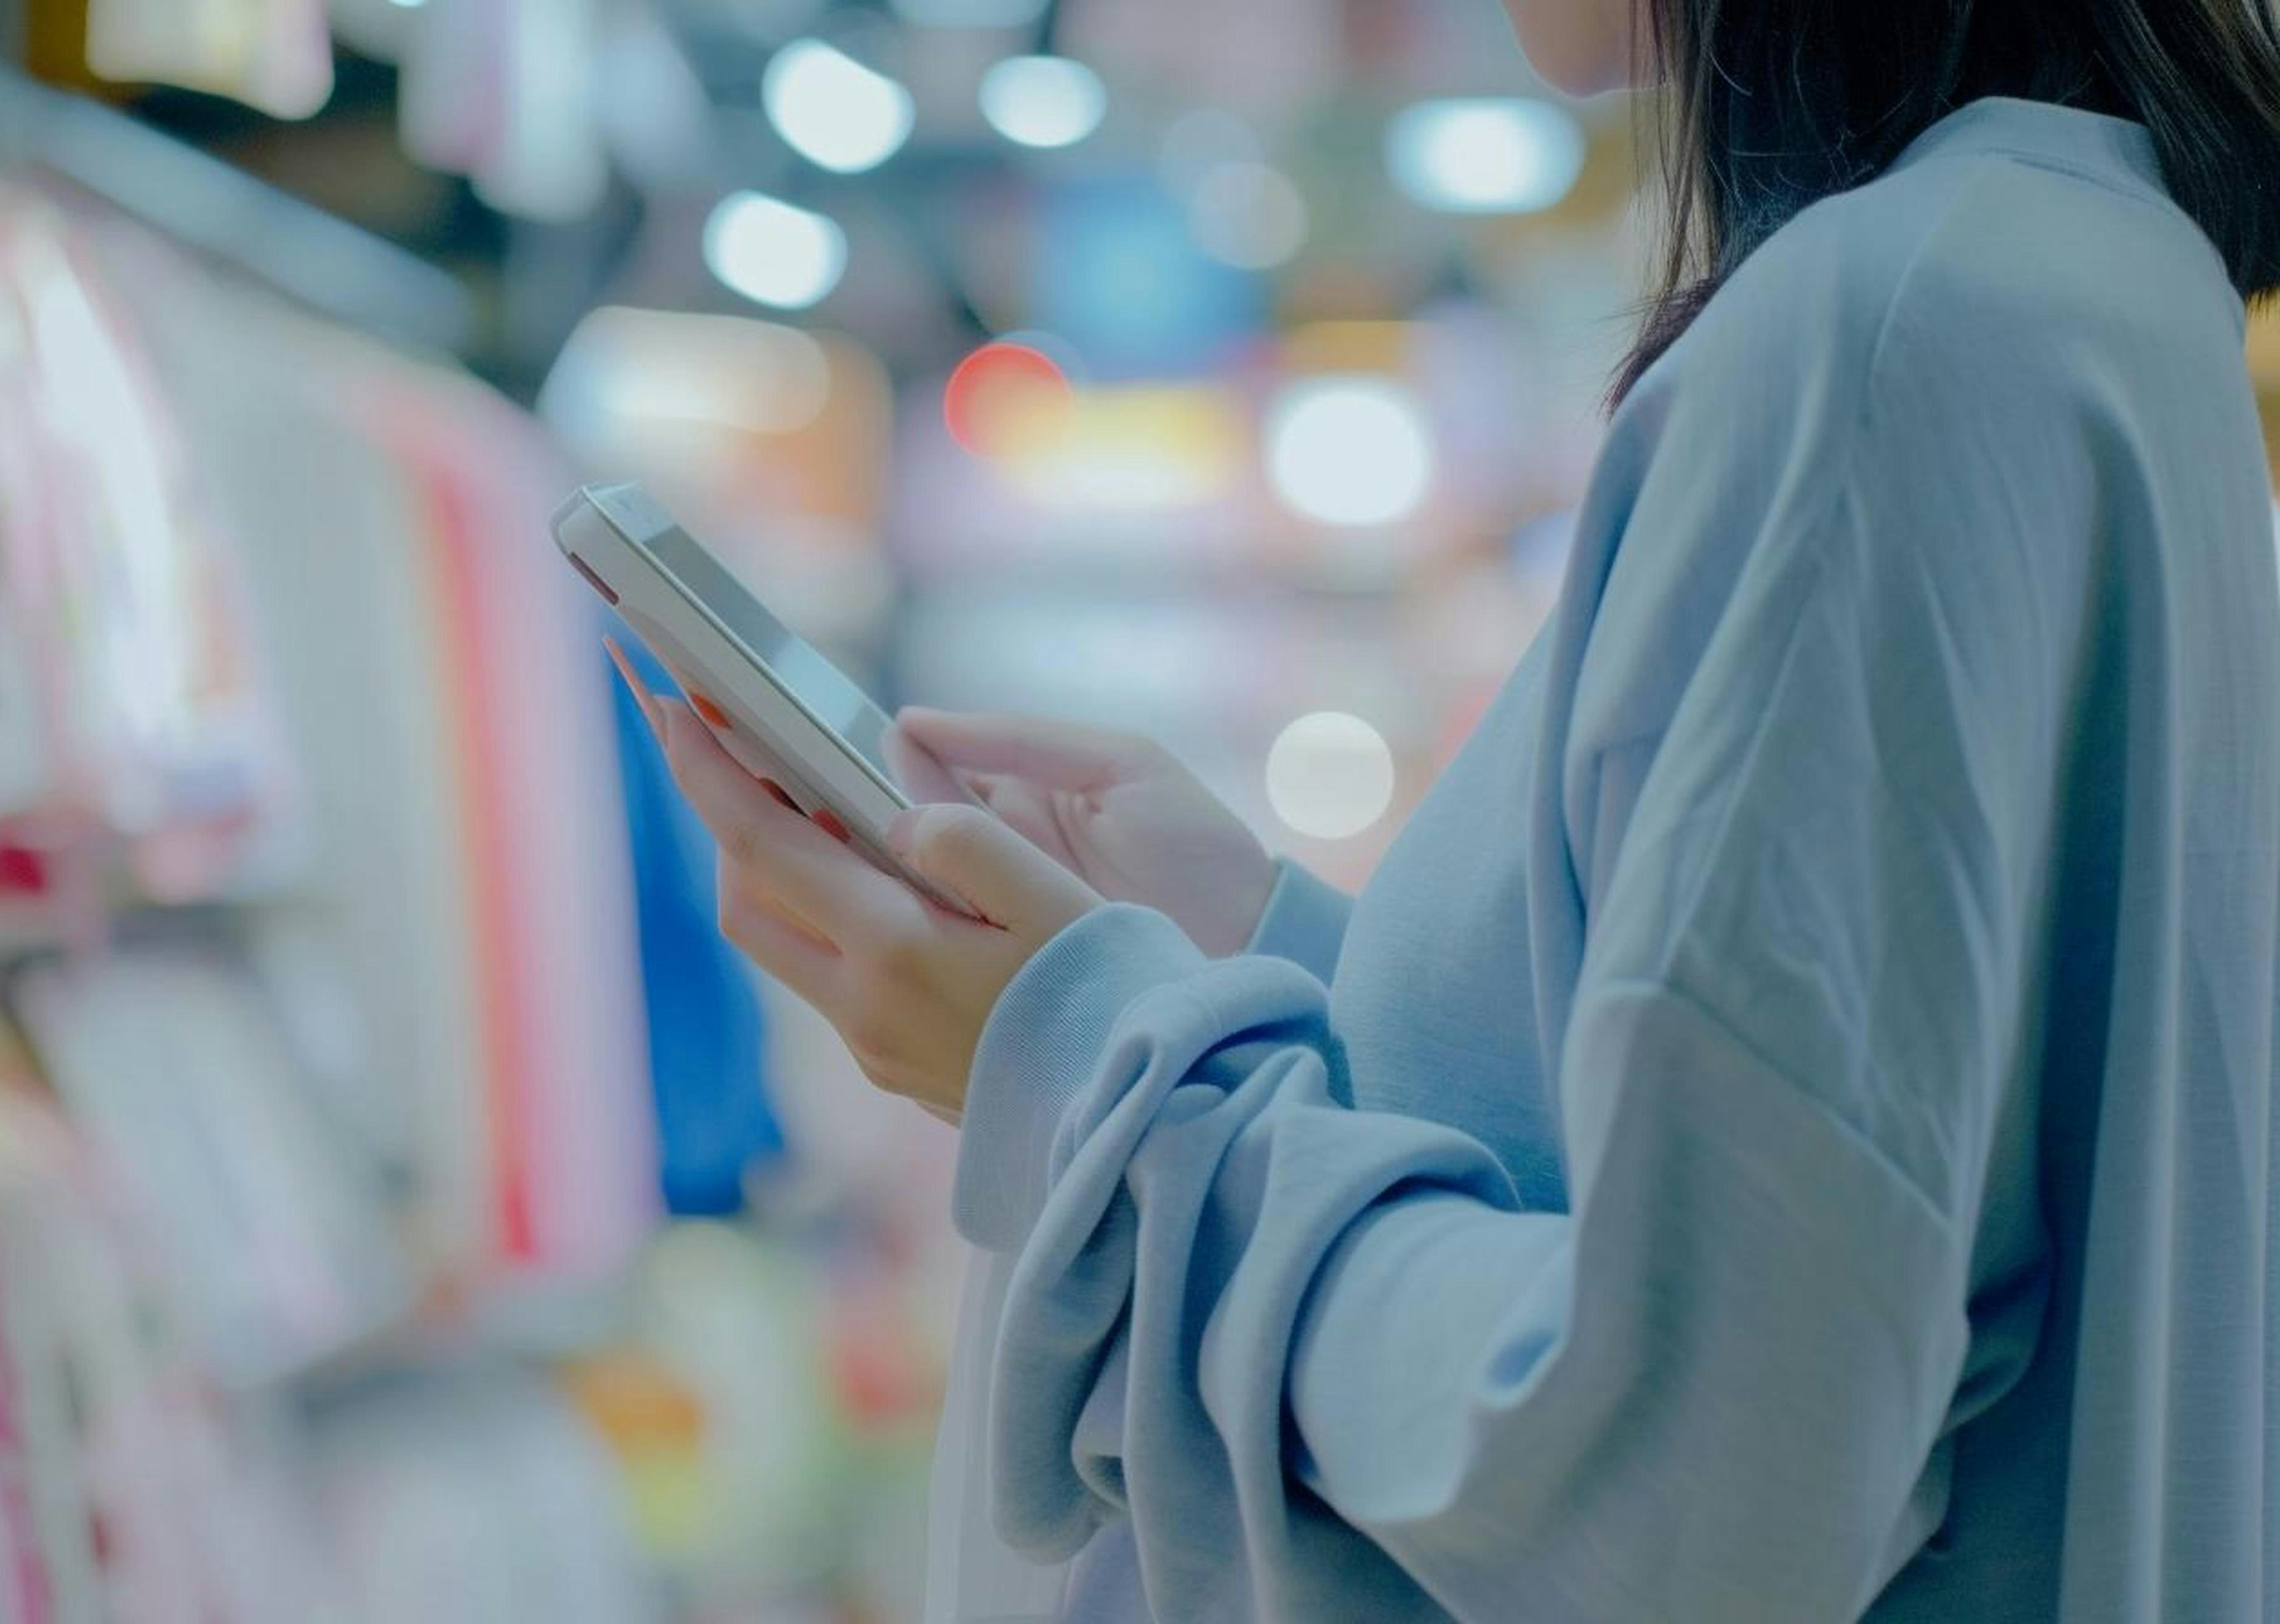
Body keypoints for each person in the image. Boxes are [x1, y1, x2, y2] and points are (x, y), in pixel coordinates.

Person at [618, 0, 2280, 1616]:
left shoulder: (1891, 334)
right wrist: (1258, 956)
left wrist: (1092, 1072)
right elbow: (1813, 1192)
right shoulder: (2080, 275)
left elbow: (1695, 1491)